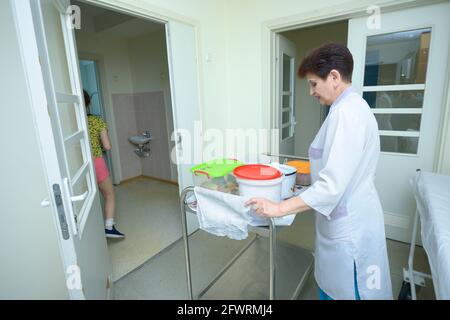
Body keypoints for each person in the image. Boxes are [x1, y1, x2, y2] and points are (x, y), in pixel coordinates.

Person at [245, 43, 393, 300]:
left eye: (314, 84)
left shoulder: (346, 114)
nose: (312, 92)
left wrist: (278, 208)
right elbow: (337, 167)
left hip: (349, 233)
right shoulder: (348, 109)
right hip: (344, 220)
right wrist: (301, 178)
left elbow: (332, 186)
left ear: (334, 77)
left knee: (347, 290)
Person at [84, 90, 125, 239]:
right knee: (109, 195)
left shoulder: (71, 123)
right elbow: (107, 146)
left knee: (87, 200)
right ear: (89, 103)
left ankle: (90, 237)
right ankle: (109, 227)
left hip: (80, 165)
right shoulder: (96, 121)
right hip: (96, 162)